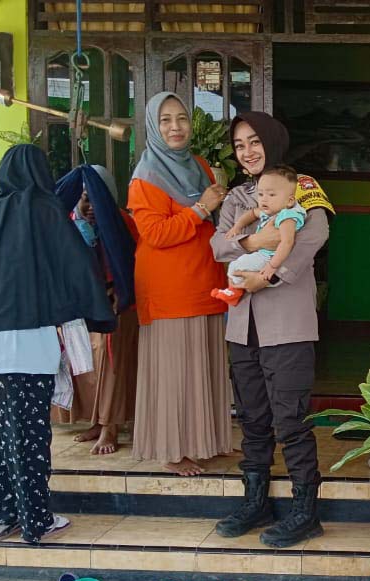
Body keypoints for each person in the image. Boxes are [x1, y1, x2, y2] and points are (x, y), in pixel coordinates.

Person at [0, 144, 116, 544]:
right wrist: (100, 311)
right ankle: (37, 521)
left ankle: (0, 517)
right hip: (19, 346)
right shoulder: (41, 208)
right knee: (28, 436)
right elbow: (72, 263)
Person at [210, 111, 336, 548]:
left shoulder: (306, 192)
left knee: (291, 420)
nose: (247, 151)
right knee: (252, 418)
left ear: (274, 141)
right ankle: (256, 501)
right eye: (240, 144)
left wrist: (263, 270)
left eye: (254, 142)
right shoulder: (239, 196)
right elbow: (217, 245)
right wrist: (253, 243)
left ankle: (306, 512)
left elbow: (309, 242)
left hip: (287, 326)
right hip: (241, 328)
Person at [126, 92, 233, 477]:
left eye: (182, 118)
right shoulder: (146, 177)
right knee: (175, 372)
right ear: (154, 126)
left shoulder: (199, 165)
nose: (176, 127)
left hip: (205, 281)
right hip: (169, 288)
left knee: (202, 368)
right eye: (166, 120)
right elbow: (155, 234)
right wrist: (201, 208)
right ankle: (171, 450)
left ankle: (204, 442)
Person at [53, 164, 139, 455]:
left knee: (111, 367)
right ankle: (95, 420)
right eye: (83, 199)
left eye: (95, 198)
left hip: (117, 306)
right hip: (80, 309)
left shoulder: (122, 223)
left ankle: (110, 426)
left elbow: (131, 267)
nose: (89, 206)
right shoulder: (67, 224)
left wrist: (118, 292)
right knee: (85, 368)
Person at [212, 165, 306, 306]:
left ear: (290, 200)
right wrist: (237, 226)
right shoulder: (272, 210)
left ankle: (234, 292)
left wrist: (272, 266)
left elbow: (287, 243)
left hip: (269, 257)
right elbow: (251, 214)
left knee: (236, 266)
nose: (264, 200)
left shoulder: (287, 216)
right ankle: (234, 290)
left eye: (271, 195)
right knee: (238, 265)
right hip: (263, 254)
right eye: (261, 194)